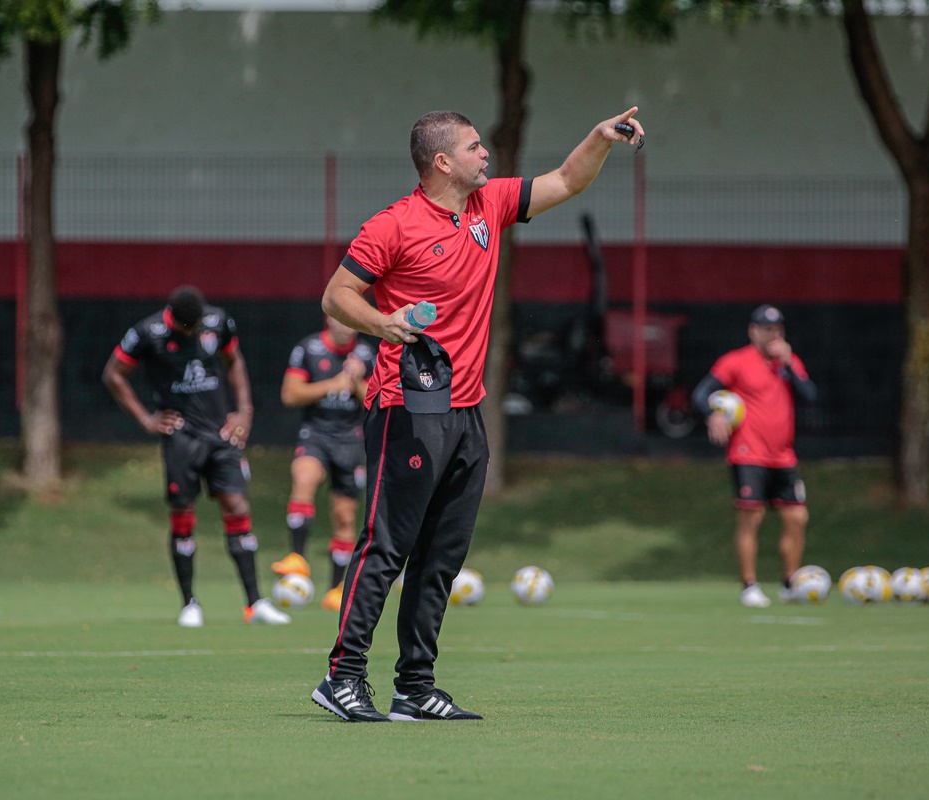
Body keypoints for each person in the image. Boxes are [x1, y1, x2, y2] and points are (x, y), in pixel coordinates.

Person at [310, 107, 645, 723]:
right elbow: (336, 295)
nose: (485, 153)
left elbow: (567, 180)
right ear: (442, 162)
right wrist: (383, 323)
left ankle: (415, 687)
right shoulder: (393, 224)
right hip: (407, 406)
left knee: (442, 556)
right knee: (387, 546)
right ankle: (343, 676)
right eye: (472, 146)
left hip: (465, 412)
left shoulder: (488, 203)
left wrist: (599, 138)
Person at [102, 285, 290, 627]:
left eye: (196, 328)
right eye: (186, 329)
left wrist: (244, 411)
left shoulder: (218, 321)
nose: (192, 334)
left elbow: (235, 361)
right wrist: (146, 419)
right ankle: (189, 604)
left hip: (221, 434)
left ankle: (255, 603)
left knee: (237, 506)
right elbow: (113, 373)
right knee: (183, 516)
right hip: (181, 438)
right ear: (172, 320)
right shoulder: (147, 332)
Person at [691, 304, 818, 609]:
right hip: (748, 453)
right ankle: (749, 586)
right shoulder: (736, 361)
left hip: (783, 456)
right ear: (753, 331)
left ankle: (789, 584)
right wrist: (712, 415)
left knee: (797, 517)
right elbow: (701, 393)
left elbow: (810, 396)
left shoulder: (788, 362)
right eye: (767, 329)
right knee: (752, 518)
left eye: (778, 329)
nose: (773, 335)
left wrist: (790, 364)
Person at [271, 315, 376, 611]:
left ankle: (336, 589)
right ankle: (298, 557)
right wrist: (333, 383)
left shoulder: (367, 355)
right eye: (342, 318)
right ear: (330, 317)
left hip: (351, 440)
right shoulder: (308, 349)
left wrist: (356, 382)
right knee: (304, 479)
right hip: (316, 435)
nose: (347, 325)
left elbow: (377, 401)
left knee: (345, 517)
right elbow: (290, 394)